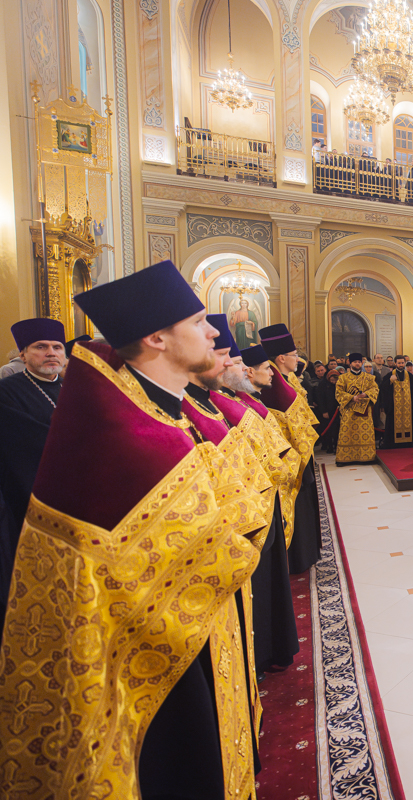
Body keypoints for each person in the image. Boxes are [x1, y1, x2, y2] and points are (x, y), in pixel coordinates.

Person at [1, 261, 260, 798]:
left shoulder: (162, 416)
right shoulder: (135, 437)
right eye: (198, 321)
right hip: (153, 655)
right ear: (156, 337)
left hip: (190, 629)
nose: (214, 331)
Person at [209, 326, 301, 673]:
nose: (243, 368)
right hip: (243, 515)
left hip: (262, 501)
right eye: (228, 359)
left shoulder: (231, 400)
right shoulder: (219, 403)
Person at [0, 318, 65, 626]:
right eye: (40, 347)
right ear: (23, 354)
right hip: (31, 499)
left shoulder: (77, 388)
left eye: (56, 347)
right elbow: (20, 446)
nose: (50, 353)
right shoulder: (7, 392)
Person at [257, 323, 322, 574]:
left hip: (299, 454)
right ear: (281, 358)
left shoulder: (288, 377)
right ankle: (298, 557)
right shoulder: (275, 385)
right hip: (289, 459)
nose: (299, 359)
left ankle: (307, 552)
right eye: (295, 355)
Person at [335, 353, 380, 465]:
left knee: (364, 433)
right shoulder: (342, 378)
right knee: (348, 433)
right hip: (348, 412)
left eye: (359, 362)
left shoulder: (369, 378)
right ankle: (346, 458)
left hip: (364, 412)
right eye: (355, 362)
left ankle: (366, 457)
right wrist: (352, 397)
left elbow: (375, 390)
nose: (357, 364)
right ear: (350, 363)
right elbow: (338, 393)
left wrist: (366, 394)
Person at [386, 355, 413, 447]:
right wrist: (390, 381)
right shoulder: (390, 375)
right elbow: (383, 389)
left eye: (402, 363)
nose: (401, 364)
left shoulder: (410, 376)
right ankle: (393, 444)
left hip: (408, 406)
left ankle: (408, 443)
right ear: (395, 363)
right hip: (394, 407)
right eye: (399, 363)